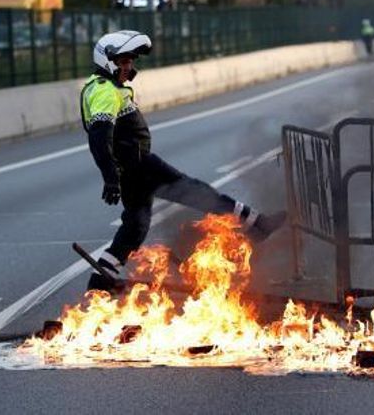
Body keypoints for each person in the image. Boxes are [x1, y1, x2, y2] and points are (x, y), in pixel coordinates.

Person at [80, 30, 286, 292]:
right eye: (123, 62)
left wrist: (114, 175)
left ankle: (101, 278)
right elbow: (99, 137)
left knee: (135, 226)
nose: (128, 67)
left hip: (132, 169)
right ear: (107, 60)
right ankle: (258, 224)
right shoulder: (104, 92)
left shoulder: (107, 88)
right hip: (140, 166)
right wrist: (109, 177)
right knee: (199, 193)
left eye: (131, 61)